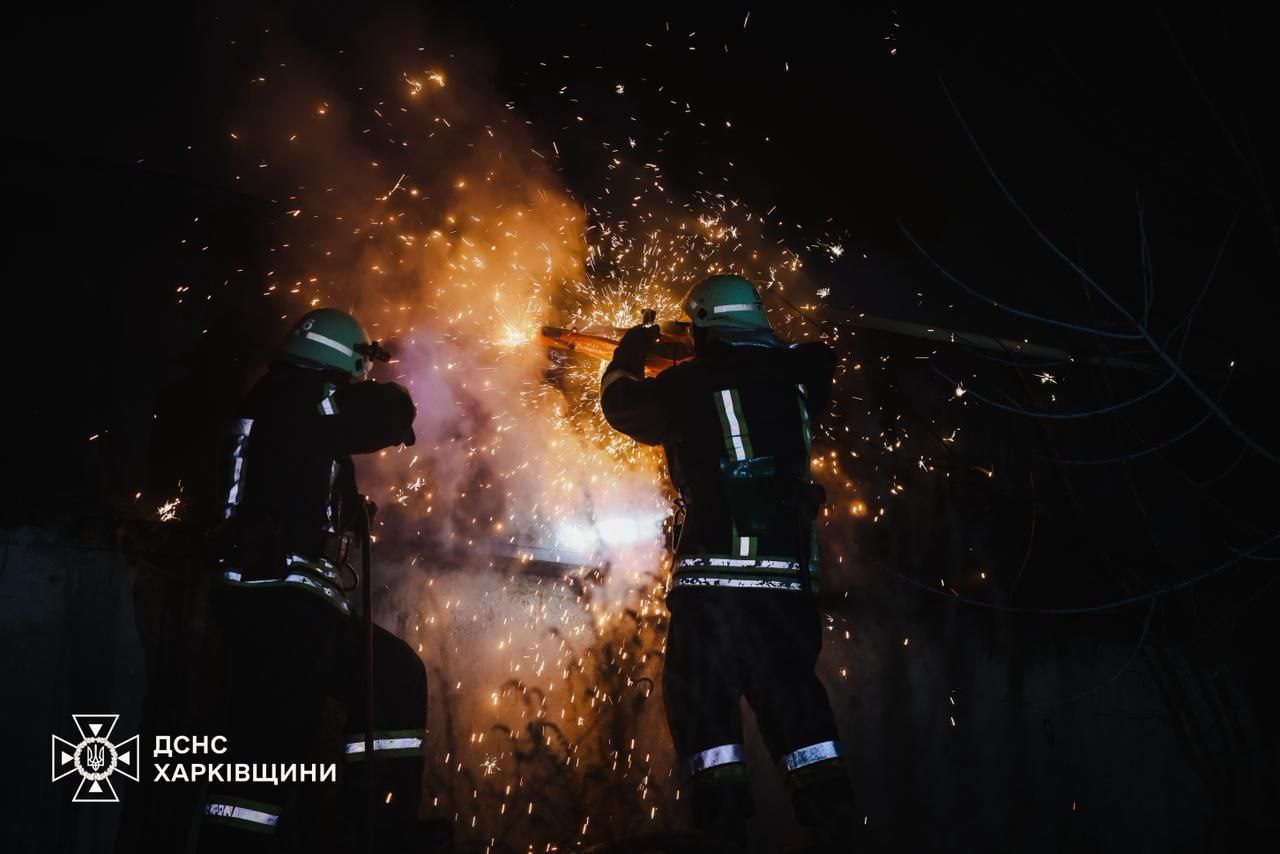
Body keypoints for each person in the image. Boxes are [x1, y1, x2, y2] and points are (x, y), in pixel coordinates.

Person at [600, 276, 855, 849]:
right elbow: (802, 358)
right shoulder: (801, 380)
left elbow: (621, 405)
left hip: (717, 587)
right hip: (788, 589)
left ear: (705, 328)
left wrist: (629, 353)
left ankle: (722, 832)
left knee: (703, 708)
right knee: (795, 709)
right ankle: (835, 825)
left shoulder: (690, 384)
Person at [198, 308, 430, 852]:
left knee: (391, 678)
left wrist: (347, 509)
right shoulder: (296, 395)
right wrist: (400, 398)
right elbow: (377, 412)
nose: (358, 379)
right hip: (274, 601)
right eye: (356, 368)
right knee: (267, 746)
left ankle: (376, 824)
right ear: (339, 359)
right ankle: (235, 842)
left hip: (292, 604)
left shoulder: (287, 405)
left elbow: (298, 475)